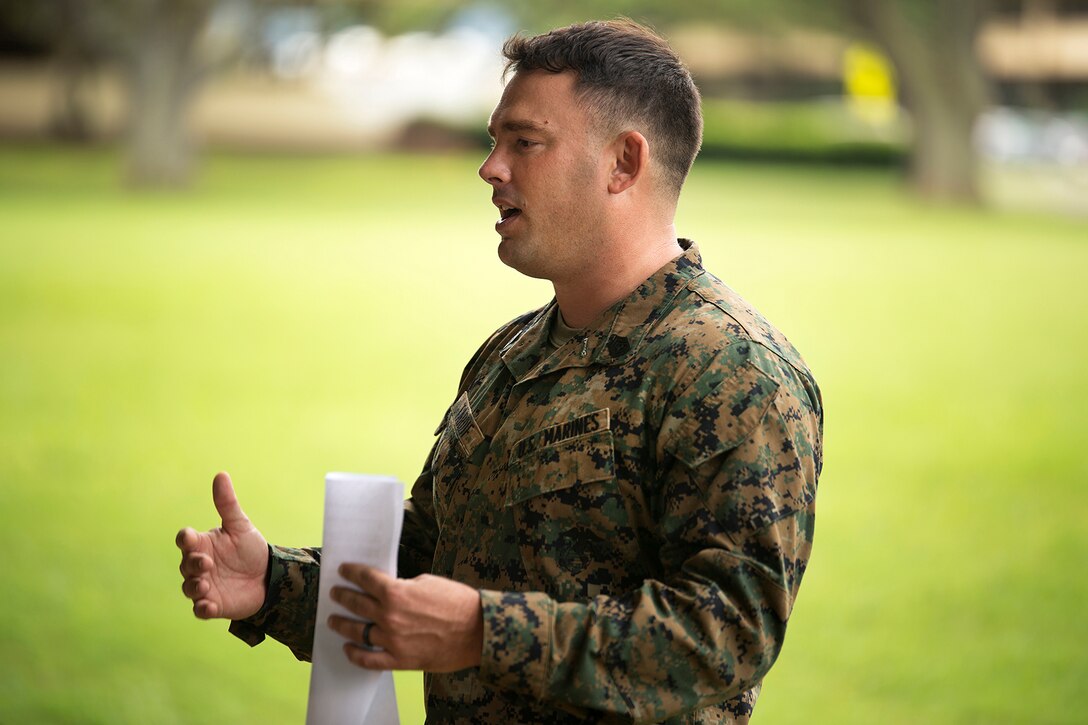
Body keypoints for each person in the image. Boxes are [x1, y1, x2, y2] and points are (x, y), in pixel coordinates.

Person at [176, 19, 823, 724]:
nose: (490, 167)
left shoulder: (730, 370)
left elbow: (724, 635)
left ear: (623, 163)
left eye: (525, 142)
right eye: (495, 140)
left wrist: (484, 631)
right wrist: (274, 582)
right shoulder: (511, 353)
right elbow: (429, 557)